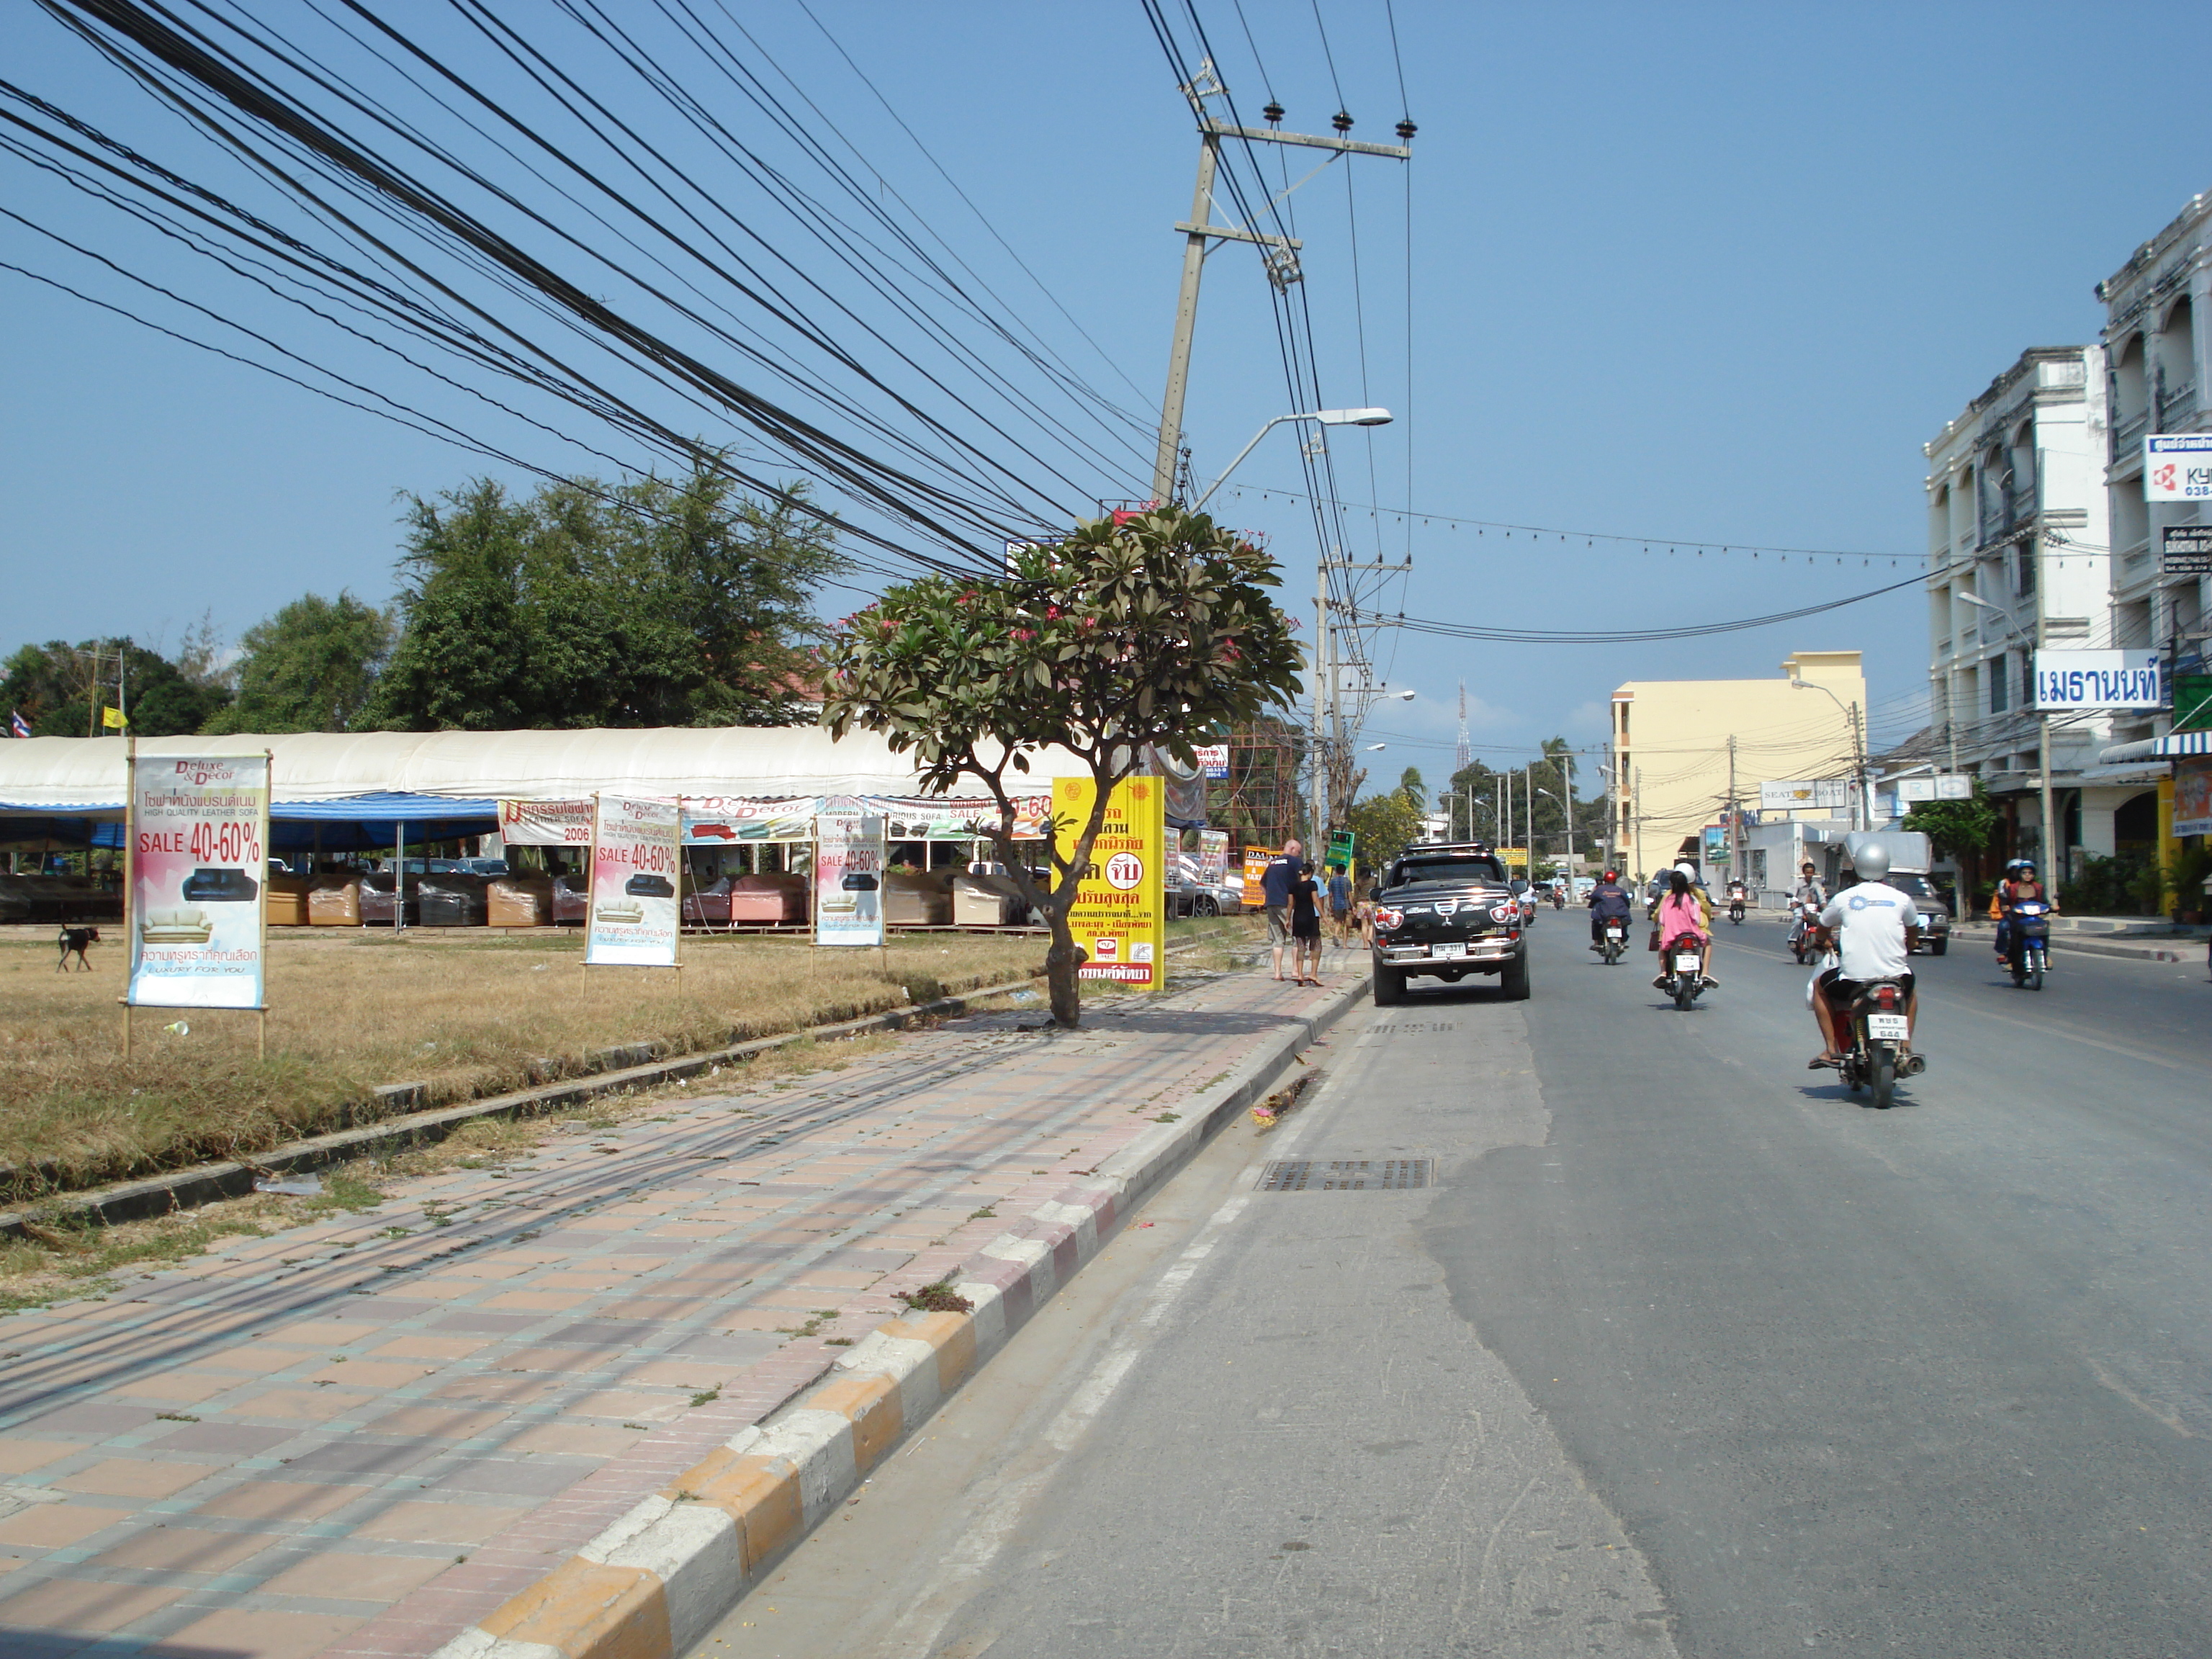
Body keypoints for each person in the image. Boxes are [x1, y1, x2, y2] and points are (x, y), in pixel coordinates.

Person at [1809, 839, 1921, 1067]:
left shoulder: (1844, 897)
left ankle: (1831, 1049)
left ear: (1857, 867)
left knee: (1820, 987)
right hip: (1897, 978)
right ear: (1885, 867)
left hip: (1854, 981)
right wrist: (1910, 945)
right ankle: (1907, 1046)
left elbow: (1823, 925)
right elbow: (1913, 928)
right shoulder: (1901, 898)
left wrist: (1820, 941)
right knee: (1911, 993)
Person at [1651, 866, 1717, 990]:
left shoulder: (1668, 898)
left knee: (1662, 949)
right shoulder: (1694, 897)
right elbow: (1697, 917)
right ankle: (1705, 973)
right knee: (1708, 943)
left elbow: (1662, 919)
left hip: (1671, 935)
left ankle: (1664, 972)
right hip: (1692, 933)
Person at [1990, 859, 2054, 966]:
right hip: (2017, 917)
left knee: (2043, 929)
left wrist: (2051, 907)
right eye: (2024, 873)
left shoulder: (2038, 887)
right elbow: (2005, 901)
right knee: (2011, 930)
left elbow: (2044, 902)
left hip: (2033, 917)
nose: (2027, 876)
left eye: (2030, 873)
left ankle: (2045, 956)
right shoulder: (2012, 887)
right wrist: (2005, 907)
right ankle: (2010, 958)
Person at [1259, 838, 1303, 981]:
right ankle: (1296, 971)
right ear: (1292, 849)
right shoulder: (1294, 862)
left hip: (1271, 904)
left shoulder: (1272, 863)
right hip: (1288, 905)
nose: (1299, 854)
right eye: (1299, 851)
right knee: (1297, 937)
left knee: (1277, 940)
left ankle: (1277, 973)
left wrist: (1270, 897)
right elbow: (1303, 881)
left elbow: (1262, 884)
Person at [1289, 860, 1324, 986]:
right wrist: (1324, 915)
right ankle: (1313, 974)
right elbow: (1315, 901)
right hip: (1310, 917)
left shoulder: (1293, 885)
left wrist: (1288, 919)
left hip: (1297, 918)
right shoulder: (1312, 884)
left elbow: (1290, 904)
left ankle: (1300, 975)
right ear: (1309, 873)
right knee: (1316, 945)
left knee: (1301, 947)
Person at [1587, 868, 1633, 951]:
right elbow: (1627, 902)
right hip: (1620, 915)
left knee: (1596, 924)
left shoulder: (1600, 890)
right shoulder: (1620, 890)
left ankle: (1597, 942)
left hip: (1605, 916)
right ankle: (1623, 941)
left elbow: (1593, 899)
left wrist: (1591, 905)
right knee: (1624, 925)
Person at [1324, 864, 1354, 948]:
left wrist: (1330, 905)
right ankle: (1345, 944)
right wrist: (1353, 906)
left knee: (1338, 922)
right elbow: (1350, 895)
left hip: (1336, 905)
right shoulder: (1347, 881)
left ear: (1336, 871)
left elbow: (1330, 895)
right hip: (1346, 905)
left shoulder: (1332, 881)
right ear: (1344, 871)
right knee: (1346, 925)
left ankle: (1335, 934)